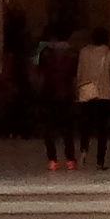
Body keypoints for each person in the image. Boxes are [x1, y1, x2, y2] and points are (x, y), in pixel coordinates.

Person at [74, 26, 110, 169]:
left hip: (86, 92)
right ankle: (100, 160)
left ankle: (83, 152)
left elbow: (79, 72)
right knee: (102, 129)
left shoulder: (83, 52)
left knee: (86, 125)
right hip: (103, 93)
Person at [37, 25, 79, 172]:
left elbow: (39, 72)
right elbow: (75, 75)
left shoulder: (46, 53)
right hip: (66, 94)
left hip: (49, 94)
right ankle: (70, 160)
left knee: (49, 129)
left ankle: (52, 160)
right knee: (67, 128)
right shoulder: (73, 54)